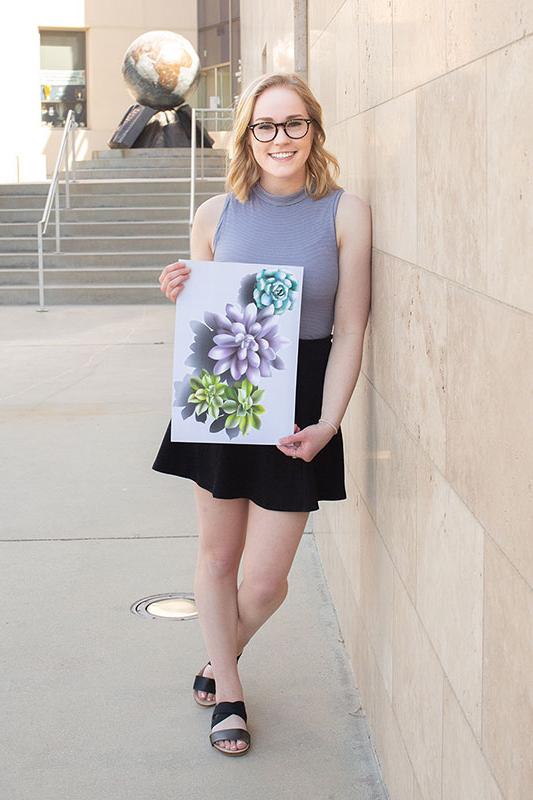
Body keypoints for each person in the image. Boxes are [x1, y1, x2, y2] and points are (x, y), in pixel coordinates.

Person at [153, 71, 372, 756]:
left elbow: (351, 328)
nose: (280, 138)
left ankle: (218, 660)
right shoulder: (216, 214)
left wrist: (329, 421)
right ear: (248, 135)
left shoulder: (345, 212)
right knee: (217, 559)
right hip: (227, 387)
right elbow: (205, 313)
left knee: (266, 580)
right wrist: (178, 290)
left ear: (314, 130)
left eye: (293, 124)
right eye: (265, 126)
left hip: (299, 403)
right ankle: (232, 696)